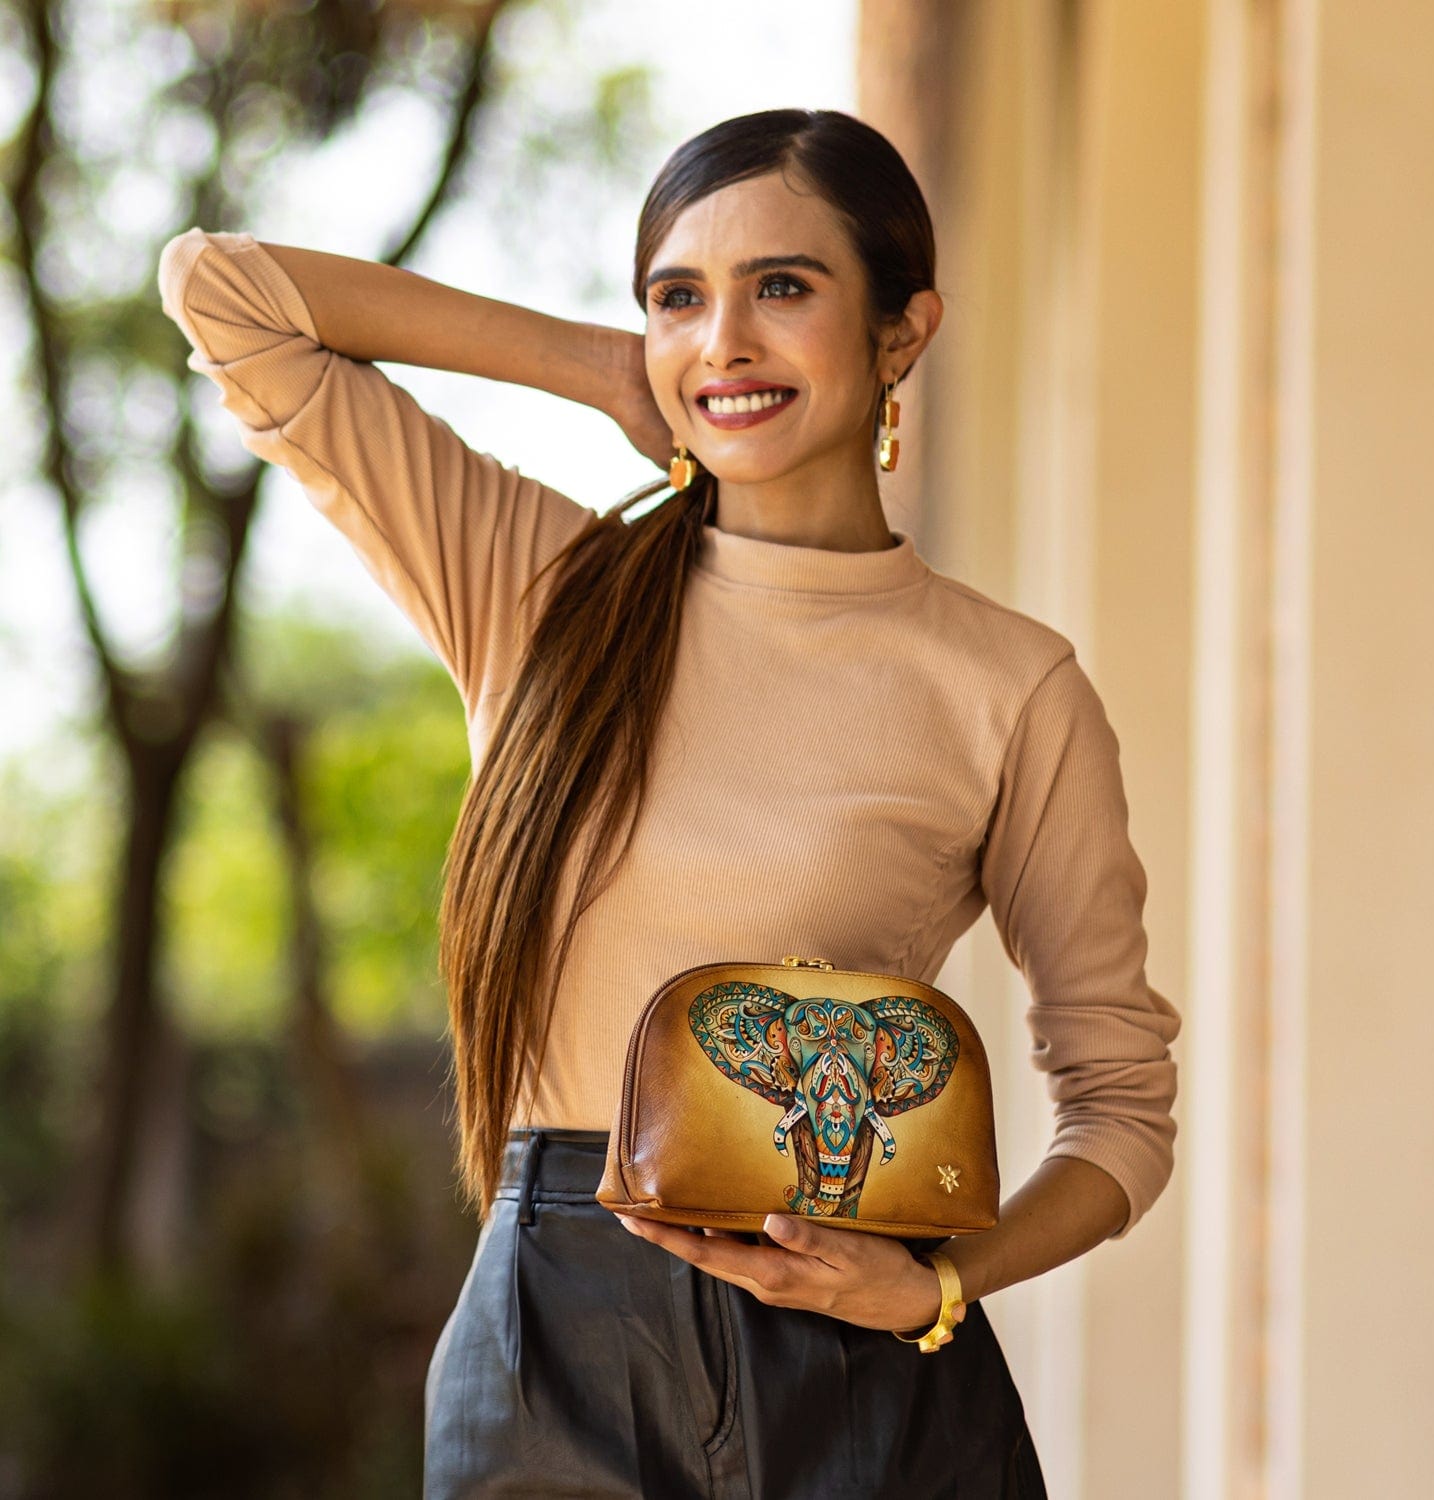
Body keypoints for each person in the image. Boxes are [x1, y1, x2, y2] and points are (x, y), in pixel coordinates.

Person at [158, 106, 1181, 1500]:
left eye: (783, 289)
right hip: (547, 1358)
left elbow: (1121, 1110)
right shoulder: (537, 589)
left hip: (856, 1382)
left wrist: (936, 1288)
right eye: (680, 296)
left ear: (903, 333)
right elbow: (226, 294)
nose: (727, 342)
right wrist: (604, 369)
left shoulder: (1008, 687)